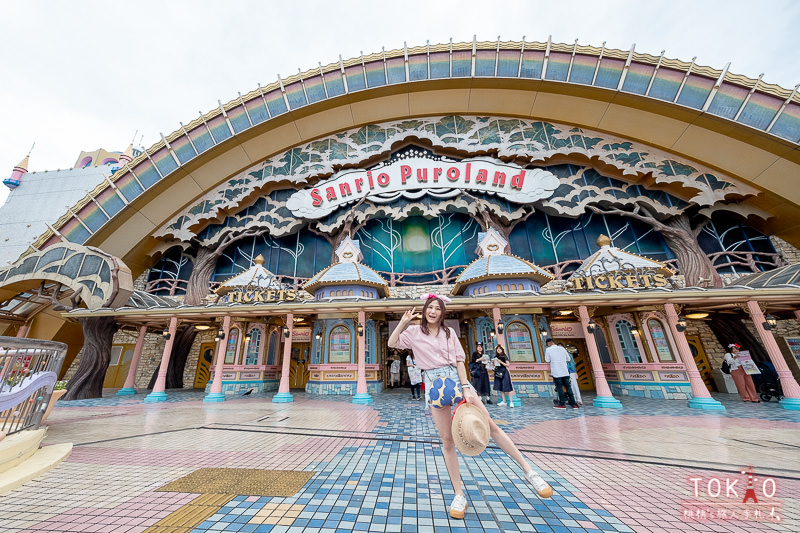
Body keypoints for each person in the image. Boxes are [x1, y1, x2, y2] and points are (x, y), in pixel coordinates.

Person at [388, 293, 553, 519]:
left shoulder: (449, 333)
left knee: (490, 425)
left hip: (456, 381)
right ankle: (459, 494)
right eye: (430, 307)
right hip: (434, 386)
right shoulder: (414, 332)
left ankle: (530, 471)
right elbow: (392, 343)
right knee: (447, 441)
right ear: (425, 310)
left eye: (437, 308)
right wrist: (404, 323)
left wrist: (466, 386)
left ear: (442, 312)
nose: (433, 311)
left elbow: (458, 361)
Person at [545, 339, 579, 409]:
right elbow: (568, 359)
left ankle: (562, 404)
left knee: (560, 388)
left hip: (556, 372)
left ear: (549, 343)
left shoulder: (548, 350)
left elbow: (547, 360)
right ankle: (574, 404)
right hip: (565, 371)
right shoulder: (562, 349)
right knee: (568, 387)